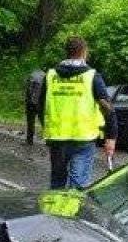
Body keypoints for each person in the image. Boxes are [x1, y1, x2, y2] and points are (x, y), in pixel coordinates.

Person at [39, 36, 117, 189]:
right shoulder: (91, 76)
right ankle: (72, 213)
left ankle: (55, 213)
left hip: (57, 139)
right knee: (78, 186)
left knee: (57, 184)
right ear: (84, 52)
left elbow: (41, 107)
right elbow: (107, 107)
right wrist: (111, 137)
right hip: (83, 140)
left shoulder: (50, 76)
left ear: (67, 52)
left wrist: (47, 127)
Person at [24, 69, 45, 145]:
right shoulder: (44, 76)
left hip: (30, 103)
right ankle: (50, 141)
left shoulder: (31, 76)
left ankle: (29, 140)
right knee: (44, 122)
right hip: (40, 103)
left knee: (30, 122)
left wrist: (27, 101)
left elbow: (27, 91)